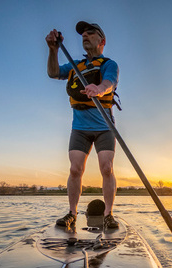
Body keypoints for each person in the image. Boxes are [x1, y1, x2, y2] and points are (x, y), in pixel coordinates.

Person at [46, 21, 119, 229]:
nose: (85, 36)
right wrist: (53, 50)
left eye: (90, 33)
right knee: (75, 169)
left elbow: (110, 83)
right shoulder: (75, 66)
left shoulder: (108, 64)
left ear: (101, 41)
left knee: (107, 167)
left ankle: (108, 214)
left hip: (104, 127)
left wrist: (100, 89)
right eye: (83, 34)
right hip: (79, 128)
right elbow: (53, 73)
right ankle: (72, 213)